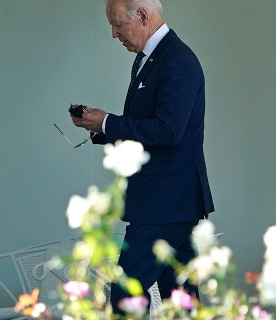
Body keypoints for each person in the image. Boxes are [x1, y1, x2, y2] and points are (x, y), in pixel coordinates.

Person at [70, 0, 215, 314]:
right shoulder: (153, 59)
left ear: (143, 16)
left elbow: (167, 131)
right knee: (182, 300)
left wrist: (108, 122)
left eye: (118, 24)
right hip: (169, 201)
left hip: (165, 204)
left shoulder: (176, 61)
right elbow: (152, 127)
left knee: (126, 297)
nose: (113, 33)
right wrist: (101, 127)